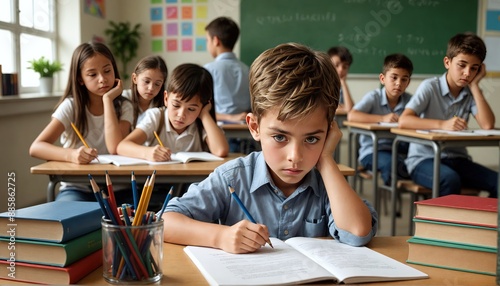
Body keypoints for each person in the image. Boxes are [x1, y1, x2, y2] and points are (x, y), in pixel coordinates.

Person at [162, 43, 377, 254]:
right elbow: (166, 221)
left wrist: (327, 159)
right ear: (254, 127)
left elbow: (357, 232)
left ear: (329, 134)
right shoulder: (234, 178)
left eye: (311, 139)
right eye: (280, 137)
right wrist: (220, 236)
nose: (295, 157)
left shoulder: (326, 185)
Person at [29, 42, 133, 201]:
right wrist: (72, 155)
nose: (102, 79)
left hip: (117, 187)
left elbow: (115, 148)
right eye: (92, 75)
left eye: (107, 71)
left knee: (132, 219)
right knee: (68, 216)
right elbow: (36, 148)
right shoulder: (71, 106)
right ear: (80, 79)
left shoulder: (124, 106)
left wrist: (107, 100)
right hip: (78, 186)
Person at [399, 33, 498, 198]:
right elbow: (404, 120)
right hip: (424, 160)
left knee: (498, 182)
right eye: (462, 65)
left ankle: (487, 223)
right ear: (447, 62)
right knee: (450, 179)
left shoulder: (469, 91)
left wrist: (475, 86)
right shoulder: (430, 87)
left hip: (458, 159)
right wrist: (442, 125)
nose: (467, 73)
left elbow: (487, 125)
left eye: (474, 68)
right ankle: (445, 224)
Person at [117, 63, 229, 162]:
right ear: (166, 98)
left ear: (203, 106)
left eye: (191, 109)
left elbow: (221, 150)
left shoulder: (202, 124)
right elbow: (122, 146)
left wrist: (204, 114)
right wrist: (148, 153)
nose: (181, 115)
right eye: (176, 105)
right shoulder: (156, 116)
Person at [348, 53, 413, 186]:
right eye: (394, 77)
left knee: (416, 164)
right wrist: (382, 118)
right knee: (392, 165)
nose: (398, 83)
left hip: (399, 150)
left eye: (404, 79)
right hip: (373, 151)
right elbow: (352, 115)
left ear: (408, 82)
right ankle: (392, 195)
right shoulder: (374, 97)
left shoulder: (410, 100)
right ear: (382, 78)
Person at [204, 16, 253, 153]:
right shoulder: (247, 69)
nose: (208, 45)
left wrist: (229, 117)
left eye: (207, 40)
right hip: (247, 136)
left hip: (219, 135)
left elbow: (202, 109)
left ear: (215, 41)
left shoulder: (208, 70)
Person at [122, 55, 168, 127]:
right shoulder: (124, 99)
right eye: (146, 81)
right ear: (135, 78)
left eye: (157, 84)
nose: (151, 88)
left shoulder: (164, 105)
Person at [327, 46, 355, 113]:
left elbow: (350, 109)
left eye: (345, 67)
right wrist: (343, 107)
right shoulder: (322, 85)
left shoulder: (341, 88)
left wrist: (344, 83)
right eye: (336, 65)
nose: (341, 69)